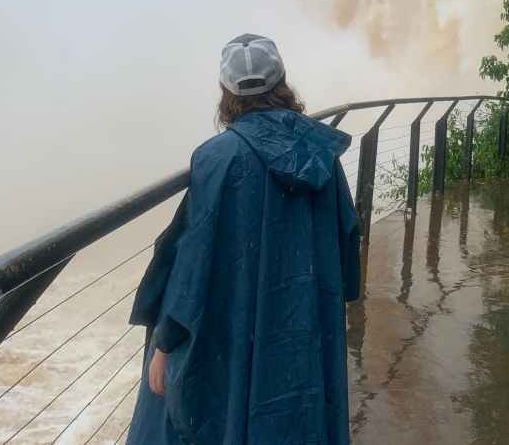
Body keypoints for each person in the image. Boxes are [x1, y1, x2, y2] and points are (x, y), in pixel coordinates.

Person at [126, 34, 361, 445]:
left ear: (225, 93)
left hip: (237, 330)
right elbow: (346, 250)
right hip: (303, 325)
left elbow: (192, 266)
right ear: (283, 84)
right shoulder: (320, 153)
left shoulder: (217, 158)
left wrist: (165, 343)